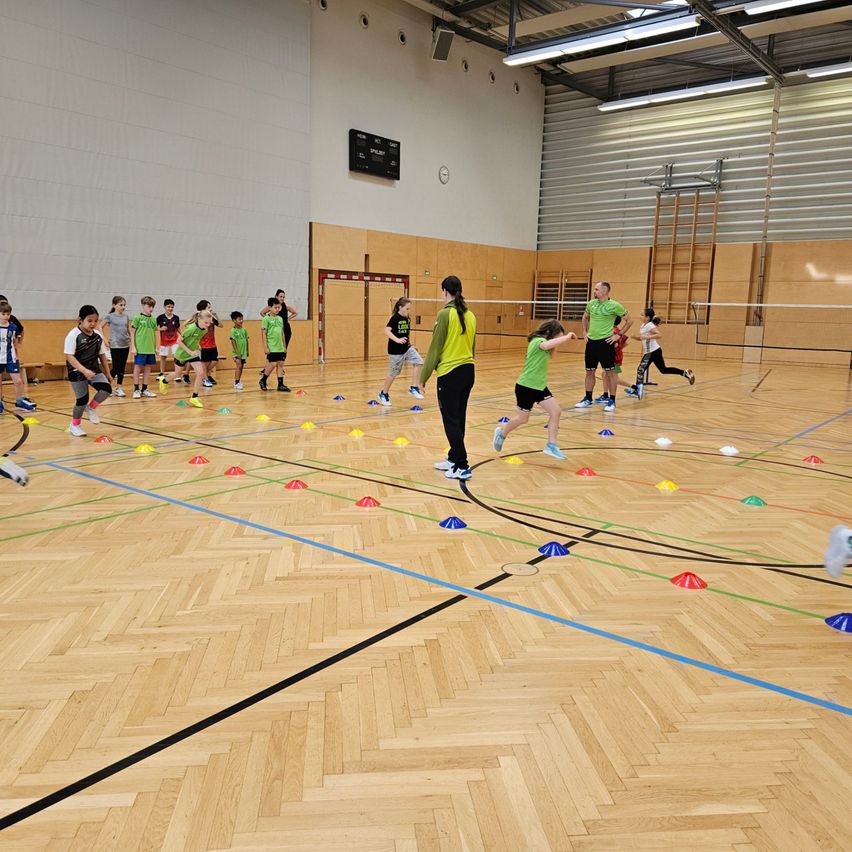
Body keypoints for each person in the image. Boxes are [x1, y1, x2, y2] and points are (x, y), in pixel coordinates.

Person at [493, 320, 577, 460]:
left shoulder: (548, 345)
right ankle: (502, 432)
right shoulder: (537, 341)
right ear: (550, 333)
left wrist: (558, 341)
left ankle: (551, 445)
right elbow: (545, 345)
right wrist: (567, 337)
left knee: (556, 411)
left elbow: (552, 353)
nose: (558, 340)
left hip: (540, 386)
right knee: (522, 419)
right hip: (526, 386)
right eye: (558, 337)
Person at [420, 276, 476, 481]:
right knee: (458, 417)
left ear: (444, 291)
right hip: (468, 371)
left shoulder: (445, 314)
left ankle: (462, 465)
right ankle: (453, 458)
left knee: (451, 420)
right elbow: (472, 348)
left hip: (450, 374)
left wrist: (423, 376)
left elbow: (435, 348)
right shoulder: (470, 315)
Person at [574, 281, 632, 413]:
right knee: (589, 372)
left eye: (596, 289)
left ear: (605, 291)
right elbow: (585, 317)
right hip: (591, 343)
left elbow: (630, 320)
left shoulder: (614, 305)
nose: (594, 292)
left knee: (610, 373)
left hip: (606, 343)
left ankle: (612, 400)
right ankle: (588, 399)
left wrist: (619, 335)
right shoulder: (591, 304)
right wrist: (584, 332)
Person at [64, 305, 113, 436]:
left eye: (95, 321)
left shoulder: (97, 336)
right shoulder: (73, 335)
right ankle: (75, 425)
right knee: (82, 399)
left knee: (106, 389)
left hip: (94, 369)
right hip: (76, 371)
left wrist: (107, 373)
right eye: (89, 321)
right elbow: (69, 356)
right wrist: (84, 371)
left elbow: (102, 355)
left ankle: (91, 408)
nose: (93, 324)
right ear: (81, 319)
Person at [625, 308, 695, 399]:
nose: (640, 316)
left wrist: (646, 336)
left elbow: (659, 335)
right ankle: (684, 373)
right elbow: (643, 338)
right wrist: (636, 337)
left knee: (640, 370)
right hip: (654, 351)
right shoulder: (643, 325)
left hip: (652, 352)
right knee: (663, 370)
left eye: (642, 315)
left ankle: (637, 391)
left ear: (647, 317)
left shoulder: (649, 325)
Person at [378, 297, 424, 406]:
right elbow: (387, 331)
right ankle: (383, 393)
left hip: (406, 348)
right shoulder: (395, 318)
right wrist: (397, 340)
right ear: (400, 307)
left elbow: (405, 334)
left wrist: (410, 344)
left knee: (419, 362)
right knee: (393, 373)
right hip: (395, 351)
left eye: (410, 309)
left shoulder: (407, 318)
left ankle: (414, 387)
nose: (409, 311)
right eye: (407, 309)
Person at [0, 301, 37, 412]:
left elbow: (15, 342)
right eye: (3, 314)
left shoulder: (13, 327)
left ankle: (20, 401)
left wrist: (16, 354)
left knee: (18, 381)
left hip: (10, 358)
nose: (6, 316)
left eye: (8, 314)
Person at [172, 309, 213, 408]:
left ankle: (194, 397)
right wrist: (189, 351)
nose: (208, 325)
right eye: (206, 322)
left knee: (200, 373)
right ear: (199, 319)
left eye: (209, 323)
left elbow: (196, 338)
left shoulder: (205, 330)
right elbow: (179, 341)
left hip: (193, 353)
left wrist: (197, 345)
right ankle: (164, 381)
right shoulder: (191, 328)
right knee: (177, 374)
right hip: (182, 353)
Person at [100, 296, 130, 397]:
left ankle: (119, 388)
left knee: (122, 367)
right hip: (115, 345)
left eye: (124, 305)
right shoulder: (110, 316)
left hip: (125, 344)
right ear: (114, 305)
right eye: (121, 305)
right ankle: (106, 387)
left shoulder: (126, 317)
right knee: (116, 367)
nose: (123, 307)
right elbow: (99, 327)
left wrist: (133, 341)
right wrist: (104, 339)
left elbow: (128, 330)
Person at [130, 296, 157, 398]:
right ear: (143, 306)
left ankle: (145, 389)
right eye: (149, 306)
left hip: (150, 349)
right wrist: (133, 347)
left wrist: (155, 347)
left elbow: (154, 334)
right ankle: (136, 389)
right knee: (137, 368)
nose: (151, 308)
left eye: (152, 306)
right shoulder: (137, 318)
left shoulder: (153, 320)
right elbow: (132, 332)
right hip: (140, 348)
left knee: (148, 368)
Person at [259, 298, 287, 392]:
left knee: (280, 364)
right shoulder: (266, 319)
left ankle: (280, 384)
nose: (277, 309)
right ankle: (263, 380)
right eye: (275, 307)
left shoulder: (280, 319)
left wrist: (284, 345)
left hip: (280, 346)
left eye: (279, 307)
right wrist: (265, 347)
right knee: (272, 364)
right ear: (270, 307)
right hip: (271, 346)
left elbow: (282, 333)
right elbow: (263, 333)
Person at [156, 299, 181, 390]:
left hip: (174, 340)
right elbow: (155, 328)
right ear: (164, 307)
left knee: (177, 356)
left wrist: (182, 336)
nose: (170, 308)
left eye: (172, 307)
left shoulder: (176, 317)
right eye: (168, 307)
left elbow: (178, 328)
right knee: (163, 357)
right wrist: (161, 329)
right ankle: (161, 373)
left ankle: (177, 373)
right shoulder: (160, 317)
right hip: (164, 341)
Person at [196, 300, 220, 387]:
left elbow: (221, 325)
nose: (211, 309)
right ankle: (205, 379)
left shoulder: (212, 318)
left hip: (212, 344)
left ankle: (204, 374)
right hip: (203, 345)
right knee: (203, 363)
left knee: (215, 361)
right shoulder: (199, 320)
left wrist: (216, 316)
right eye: (209, 307)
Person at [229, 311, 248, 391]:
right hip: (237, 353)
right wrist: (237, 352)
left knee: (241, 367)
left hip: (243, 352)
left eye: (242, 319)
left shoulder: (244, 330)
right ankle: (236, 382)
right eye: (239, 319)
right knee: (239, 366)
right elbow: (233, 342)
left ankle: (238, 380)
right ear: (234, 320)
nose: (241, 321)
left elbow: (247, 340)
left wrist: (247, 350)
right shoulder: (233, 331)